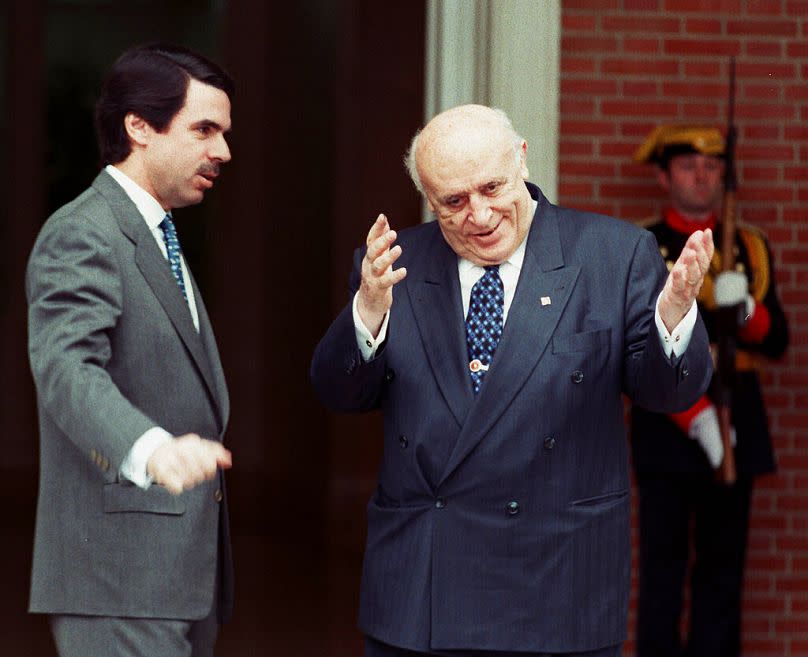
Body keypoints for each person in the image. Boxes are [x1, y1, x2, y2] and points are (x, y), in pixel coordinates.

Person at [310, 104, 716, 657]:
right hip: (423, 590)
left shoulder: (611, 254)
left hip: (557, 583)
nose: (478, 215)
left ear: (521, 159)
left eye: (492, 187)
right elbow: (339, 393)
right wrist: (367, 312)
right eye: (453, 201)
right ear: (429, 200)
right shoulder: (391, 265)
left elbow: (667, 392)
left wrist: (672, 318)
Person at [26, 43, 235, 657]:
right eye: (204, 129)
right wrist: (151, 450)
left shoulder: (156, 232)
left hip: (174, 583)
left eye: (224, 132)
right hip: (117, 582)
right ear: (138, 128)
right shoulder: (83, 232)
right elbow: (65, 367)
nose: (223, 151)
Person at [630, 125, 788, 657]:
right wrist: (694, 415)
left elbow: (778, 341)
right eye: (688, 166)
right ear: (663, 175)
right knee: (662, 572)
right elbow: (635, 344)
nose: (702, 176)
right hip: (669, 421)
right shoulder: (642, 244)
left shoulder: (749, 244)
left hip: (734, 418)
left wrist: (746, 310)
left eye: (713, 167)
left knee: (723, 573)